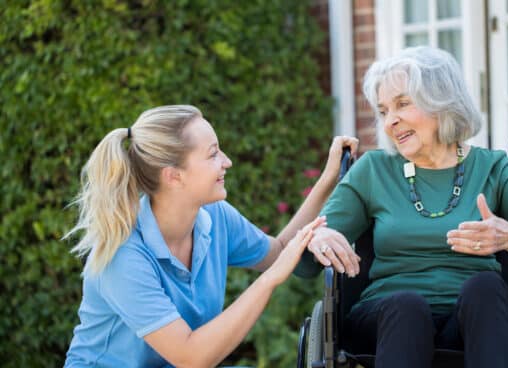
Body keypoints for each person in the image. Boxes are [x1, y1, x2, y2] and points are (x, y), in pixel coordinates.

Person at [296, 46, 508, 368]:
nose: (391, 121)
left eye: (403, 103)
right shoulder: (373, 170)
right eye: (384, 110)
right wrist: (315, 239)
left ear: (442, 101)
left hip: (476, 319)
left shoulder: (493, 168)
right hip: (389, 320)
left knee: (486, 288)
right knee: (407, 307)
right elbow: (304, 265)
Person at [63, 105, 358, 367]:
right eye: (213, 153)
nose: (227, 161)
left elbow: (279, 251)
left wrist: (327, 181)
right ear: (174, 176)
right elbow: (191, 357)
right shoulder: (123, 255)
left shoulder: (215, 216)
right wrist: (269, 280)